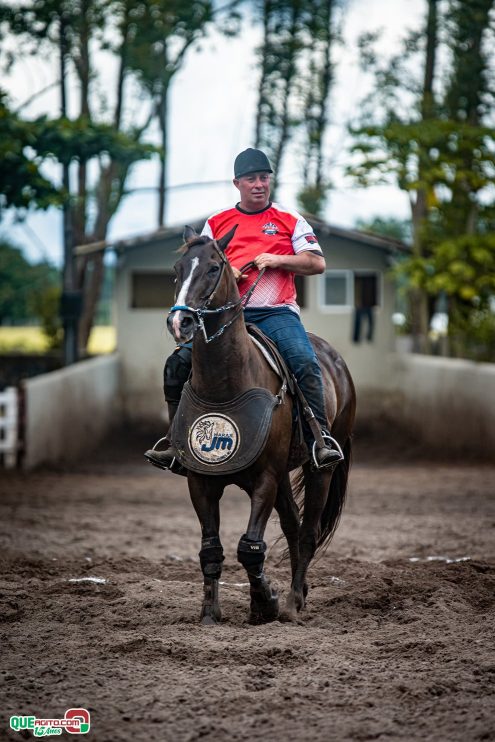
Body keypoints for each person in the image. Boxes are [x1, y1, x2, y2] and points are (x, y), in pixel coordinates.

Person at [145, 148, 344, 470]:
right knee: (177, 366)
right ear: (237, 183)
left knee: (306, 363)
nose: (259, 184)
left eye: (264, 178)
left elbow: (317, 263)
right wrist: (229, 270)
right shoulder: (217, 222)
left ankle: (319, 441)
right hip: (224, 317)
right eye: (251, 178)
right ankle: (174, 442)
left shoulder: (289, 219)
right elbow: (200, 265)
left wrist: (279, 259)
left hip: (275, 312)